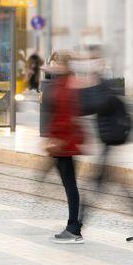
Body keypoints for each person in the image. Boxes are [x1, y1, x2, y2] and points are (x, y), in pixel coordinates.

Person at [76, 49, 133, 242]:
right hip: (108, 143)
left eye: (92, 61)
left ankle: (76, 227)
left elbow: (92, 105)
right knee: (112, 184)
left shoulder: (103, 86)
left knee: (96, 185)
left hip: (111, 142)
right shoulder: (101, 85)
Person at [44, 53, 85, 243]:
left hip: (65, 144)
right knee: (69, 186)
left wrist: (57, 139)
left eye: (57, 64)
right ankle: (73, 226)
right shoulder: (63, 82)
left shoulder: (68, 85)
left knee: (70, 186)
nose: (54, 66)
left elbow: (67, 116)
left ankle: (74, 228)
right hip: (61, 143)